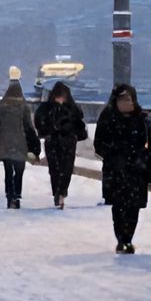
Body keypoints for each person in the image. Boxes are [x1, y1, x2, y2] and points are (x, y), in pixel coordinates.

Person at [94, 83, 151, 254]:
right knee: (119, 206)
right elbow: (98, 144)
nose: (127, 103)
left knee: (133, 207)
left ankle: (128, 238)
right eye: (123, 99)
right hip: (116, 171)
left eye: (129, 99)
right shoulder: (108, 117)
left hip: (137, 170)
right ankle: (122, 239)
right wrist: (116, 153)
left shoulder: (141, 119)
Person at [0, 67, 38, 209]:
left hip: (5, 143)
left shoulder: (2, 105)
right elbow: (29, 127)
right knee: (19, 171)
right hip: (20, 144)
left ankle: (9, 194)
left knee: (8, 171)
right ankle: (17, 194)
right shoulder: (24, 107)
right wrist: (33, 144)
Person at [35, 81, 86, 209]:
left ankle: (61, 192)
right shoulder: (47, 108)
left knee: (66, 168)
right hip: (55, 141)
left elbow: (79, 125)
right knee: (55, 169)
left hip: (66, 141)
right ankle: (59, 193)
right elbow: (40, 123)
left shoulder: (71, 109)